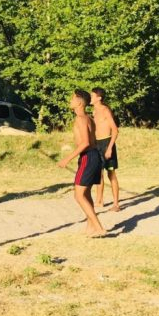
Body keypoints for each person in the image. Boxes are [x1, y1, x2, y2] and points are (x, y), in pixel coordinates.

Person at [58, 90, 106, 237]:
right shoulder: (89, 118)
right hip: (94, 156)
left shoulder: (80, 119)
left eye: (73, 98)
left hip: (88, 157)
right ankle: (90, 227)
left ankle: (99, 228)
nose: (70, 100)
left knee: (78, 196)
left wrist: (67, 158)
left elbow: (85, 142)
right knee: (86, 193)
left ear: (79, 102)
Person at [91, 87, 120, 212]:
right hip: (96, 143)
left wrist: (109, 148)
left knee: (111, 174)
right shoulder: (94, 111)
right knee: (99, 174)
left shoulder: (105, 110)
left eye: (92, 96)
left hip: (107, 142)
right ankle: (99, 200)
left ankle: (116, 204)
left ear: (99, 98)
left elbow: (115, 130)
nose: (90, 98)